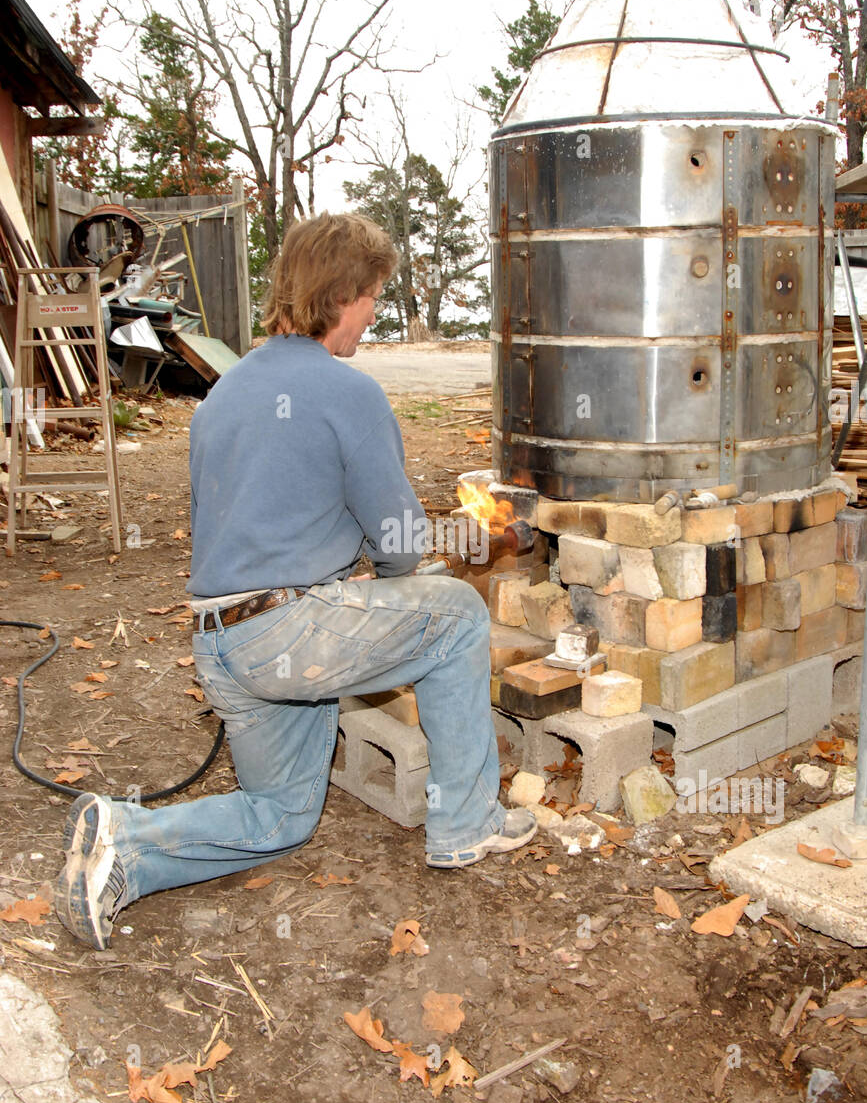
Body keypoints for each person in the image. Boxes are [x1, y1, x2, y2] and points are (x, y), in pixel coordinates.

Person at [56, 212, 536, 951]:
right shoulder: (348, 392)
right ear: (343, 293)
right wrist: (478, 540)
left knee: (280, 817)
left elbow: (263, 520)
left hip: (223, 646)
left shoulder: (226, 390)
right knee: (458, 616)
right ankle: (469, 826)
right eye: (374, 295)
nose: (375, 313)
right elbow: (403, 553)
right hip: (293, 633)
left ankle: (125, 843)